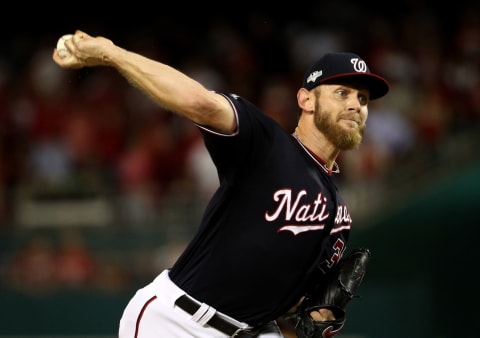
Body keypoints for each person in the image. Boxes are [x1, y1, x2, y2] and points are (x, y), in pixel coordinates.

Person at [52, 30, 389, 338]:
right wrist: (113, 53)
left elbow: (292, 313)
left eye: (362, 99)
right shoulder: (266, 142)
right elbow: (200, 102)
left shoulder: (338, 212)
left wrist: (316, 317)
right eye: (342, 92)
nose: (355, 105)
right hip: (177, 322)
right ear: (306, 100)